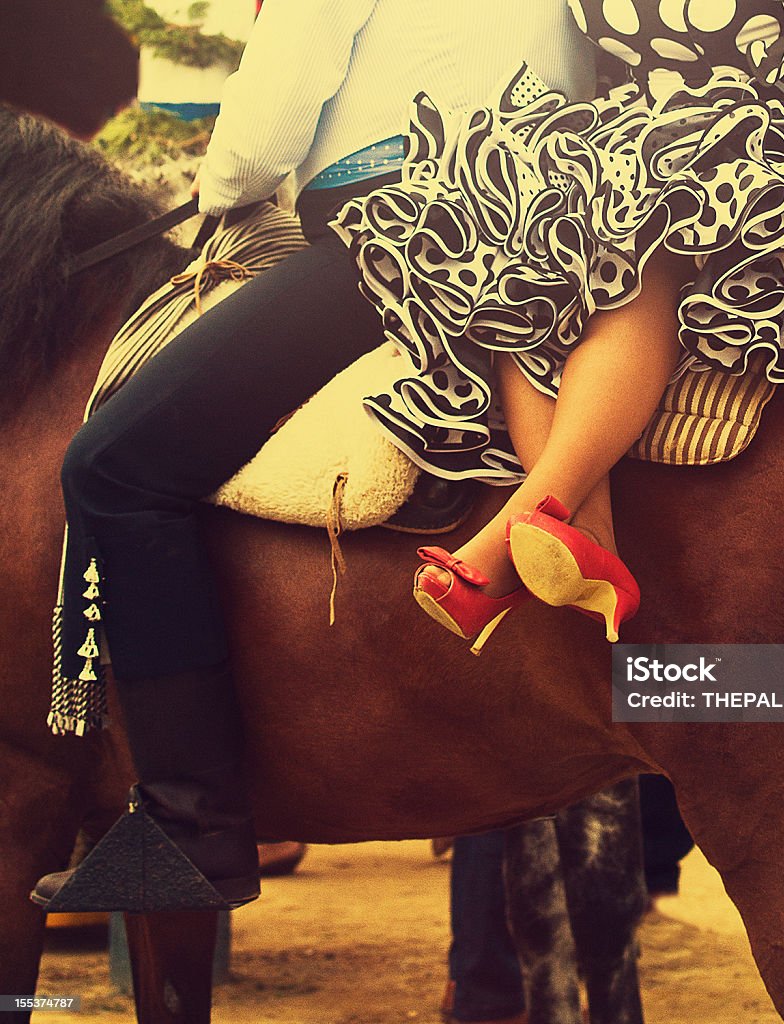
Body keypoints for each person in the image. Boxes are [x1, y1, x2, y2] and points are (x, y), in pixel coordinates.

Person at [32, 0, 597, 911]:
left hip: (402, 230)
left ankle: (191, 825)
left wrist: (222, 194)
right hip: (562, 227)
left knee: (112, 467)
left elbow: (268, 126)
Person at [332, 0, 784, 652]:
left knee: (643, 224)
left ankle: (515, 529)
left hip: (757, 146)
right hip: (625, 138)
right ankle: (585, 529)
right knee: (519, 239)